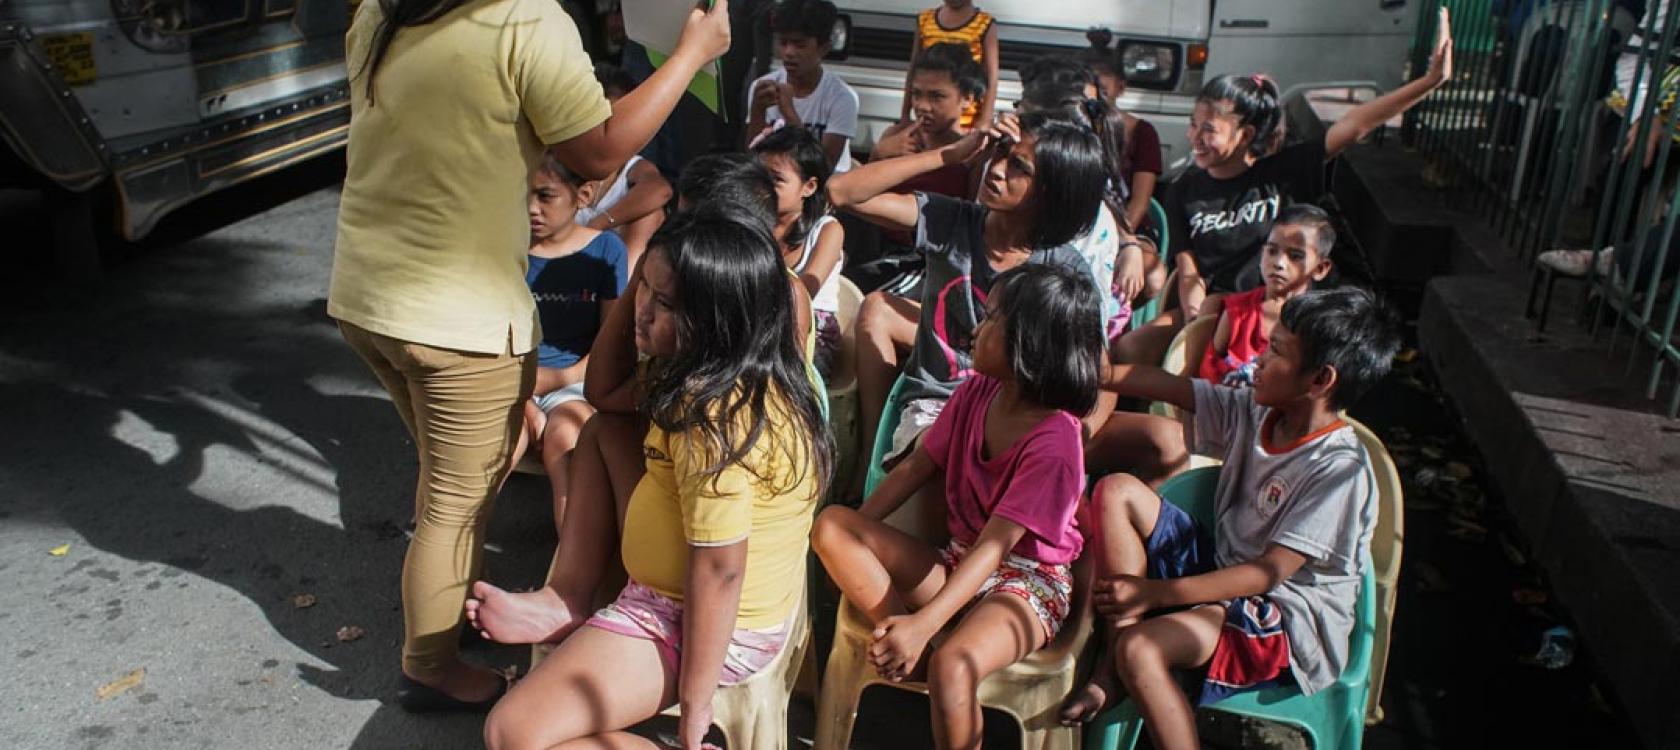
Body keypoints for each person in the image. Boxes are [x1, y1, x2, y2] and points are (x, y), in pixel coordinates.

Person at [327, 0, 728, 711]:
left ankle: (441, 613)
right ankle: (430, 666)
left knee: (450, 483)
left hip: (367, 296)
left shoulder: (382, 10)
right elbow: (600, 151)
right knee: (456, 502)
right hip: (454, 319)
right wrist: (692, 54)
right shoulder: (522, 19)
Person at [480, 207, 833, 750]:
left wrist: (695, 710)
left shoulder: (712, 415)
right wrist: (649, 281)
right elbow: (601, 395)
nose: (642, 311)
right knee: (602, 431)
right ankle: (568, 599)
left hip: (697, 620)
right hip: (683, 592)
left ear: (718, 319)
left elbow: (719, 572)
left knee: (514, 733)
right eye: (643, 287)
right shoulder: (730, 366)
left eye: (665, 303)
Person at [1059, 287, 1402, 749]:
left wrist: (1155, 591)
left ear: (1320, 379)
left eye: (1276, 350)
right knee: (1117, 490)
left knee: (1143, 649)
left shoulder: (1339, 471)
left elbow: (1267, 574)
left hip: (1283, 617)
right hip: (1223, 571)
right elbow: (1176, 388)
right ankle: (1114, 667)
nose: (1259, 357)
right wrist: (1103, 372)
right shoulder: (1257, 409)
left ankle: (1129, 659)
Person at [811, 263, 1102, 749]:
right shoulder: (976, 393)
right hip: (960, 560)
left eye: (991, 320)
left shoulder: (1055, 443)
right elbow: (914, 469)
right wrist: (863, 529)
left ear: (1026, 344)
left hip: (1027, 585)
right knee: (834, 528)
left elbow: (996, 548)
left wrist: (925, 620)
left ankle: (927, 646)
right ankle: (913, 647)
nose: (976, 330)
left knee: (955, 664)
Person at [1142, 7, 1451, 366]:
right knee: (1132, 352)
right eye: (1193, 125)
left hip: (1289, 319)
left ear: (1246, 135)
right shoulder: (1184, 189)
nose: (1195, 138)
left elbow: (1355, 125)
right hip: (1221, 316)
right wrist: (1195, 317)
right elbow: (1189, 269)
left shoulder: (1285, 171)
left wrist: (1429, 82)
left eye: (1208, 130)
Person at [828, 111, 1111, 494]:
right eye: (998, 154)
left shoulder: (1061, 268)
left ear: (1051, 191)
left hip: (1014, 415)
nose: (995, 170)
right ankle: (871, 462)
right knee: (948, 454)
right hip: (936, 406)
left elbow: (1097, 371)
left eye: (1018, 167)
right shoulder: (951, 221)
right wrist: (948, 155)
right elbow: (842, 192)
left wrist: (1075, 436)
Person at [515, 156, 630, 557]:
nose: (531, 207)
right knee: (498, 445)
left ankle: (571, 570)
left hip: (579, 381)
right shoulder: (509, 248)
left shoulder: (605, 251)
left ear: (582, 196)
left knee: (565, 442)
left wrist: (556, 380)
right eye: (525, 194)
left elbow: (610, 340)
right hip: (513, 382)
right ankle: (458, 562)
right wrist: (524, 395)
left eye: (545, 196)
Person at [1199, 204, 1334, 386]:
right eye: (1272, 251)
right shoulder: (1237, 311)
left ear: (1320, 268)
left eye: (1295, 256)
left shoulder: (1318, 326)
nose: (1279, 263)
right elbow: (1210, 369)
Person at [753, 126, 847, 380]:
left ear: (809, 186)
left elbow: (804, 292)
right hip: (756, 324)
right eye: (758, 176)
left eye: (776, 179)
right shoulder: (752, 223)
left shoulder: (827, 231)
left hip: (809, 333)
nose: (763, 187)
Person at [574, 64, 674, 270]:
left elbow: (660, 190)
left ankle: (619, 296)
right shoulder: (562, 158)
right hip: (555, 270)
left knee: (650, 215)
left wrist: (600, 223)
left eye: (619, 119)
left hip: (607, 274)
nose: (610, 128)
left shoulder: (631, 166)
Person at [745, 0, 860, 172]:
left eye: (800, 45)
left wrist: (789, 114)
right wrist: (757, 110)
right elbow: (752, 158)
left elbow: (823, 168)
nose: (789, 52)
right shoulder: (763, 88)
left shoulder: (842, 97)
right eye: (783, 43)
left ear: (823, 48)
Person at [1083, 30, 1164, 236]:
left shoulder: (1143, 132)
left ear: (1121, 87)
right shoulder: (1069, 126)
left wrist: (1120, 241)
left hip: (1126, 229)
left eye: (1102, 87)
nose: (1095, 93)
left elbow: (1139, 202)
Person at [900, 0, 998, 130]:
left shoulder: (984, 23)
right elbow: (913, 70)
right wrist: (905, 114)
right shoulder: (925, 20)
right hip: (932, 109)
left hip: (967, 116)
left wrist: (984, 120)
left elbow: (991, 76)